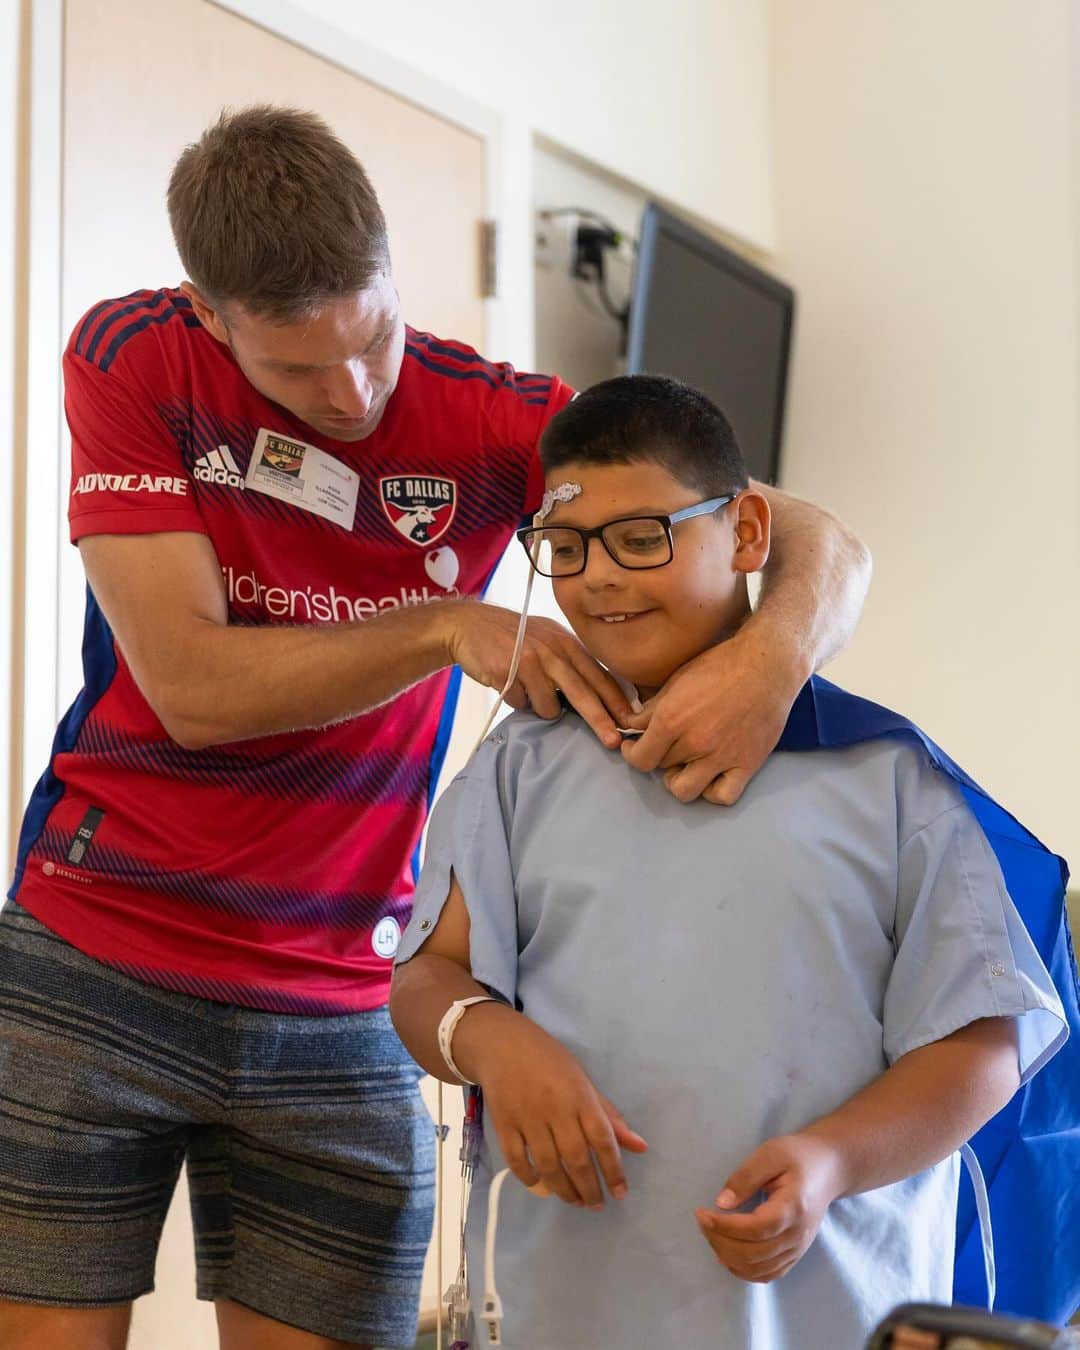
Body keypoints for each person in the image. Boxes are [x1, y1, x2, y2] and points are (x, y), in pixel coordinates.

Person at [1, 107, 872, 1350]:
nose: (352, 393)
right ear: (211, 314)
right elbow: (189, 687)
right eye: (298, 371)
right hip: (96, 954)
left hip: (344, 996)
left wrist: (772, 663)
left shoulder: (493, 414)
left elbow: (817, 540)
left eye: (375, 338)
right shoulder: (133, 353)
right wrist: (442, 627)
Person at [389, 375, 1067, 1350]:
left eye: (641, 538)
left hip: (828, 1304)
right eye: (567, 549)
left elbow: (982, 1048)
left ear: (748, 533)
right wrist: (495, 1044)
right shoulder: (518, 765)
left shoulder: (884, 775)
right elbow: (427, 979)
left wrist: (830, 1161)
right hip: (561, 1306)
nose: (600, 579)